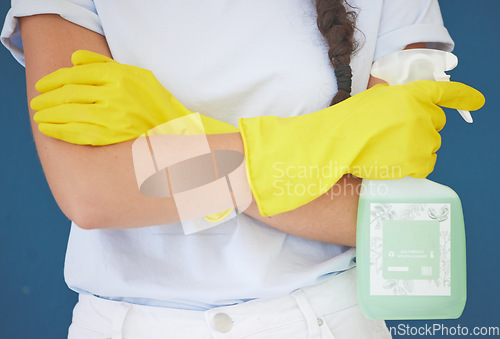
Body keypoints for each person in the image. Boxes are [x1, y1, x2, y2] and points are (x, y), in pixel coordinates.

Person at [0, 0, 481, 338]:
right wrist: (320, 148)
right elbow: (94, 193)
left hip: (326, 324)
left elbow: (387, 221)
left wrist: (166, 126)